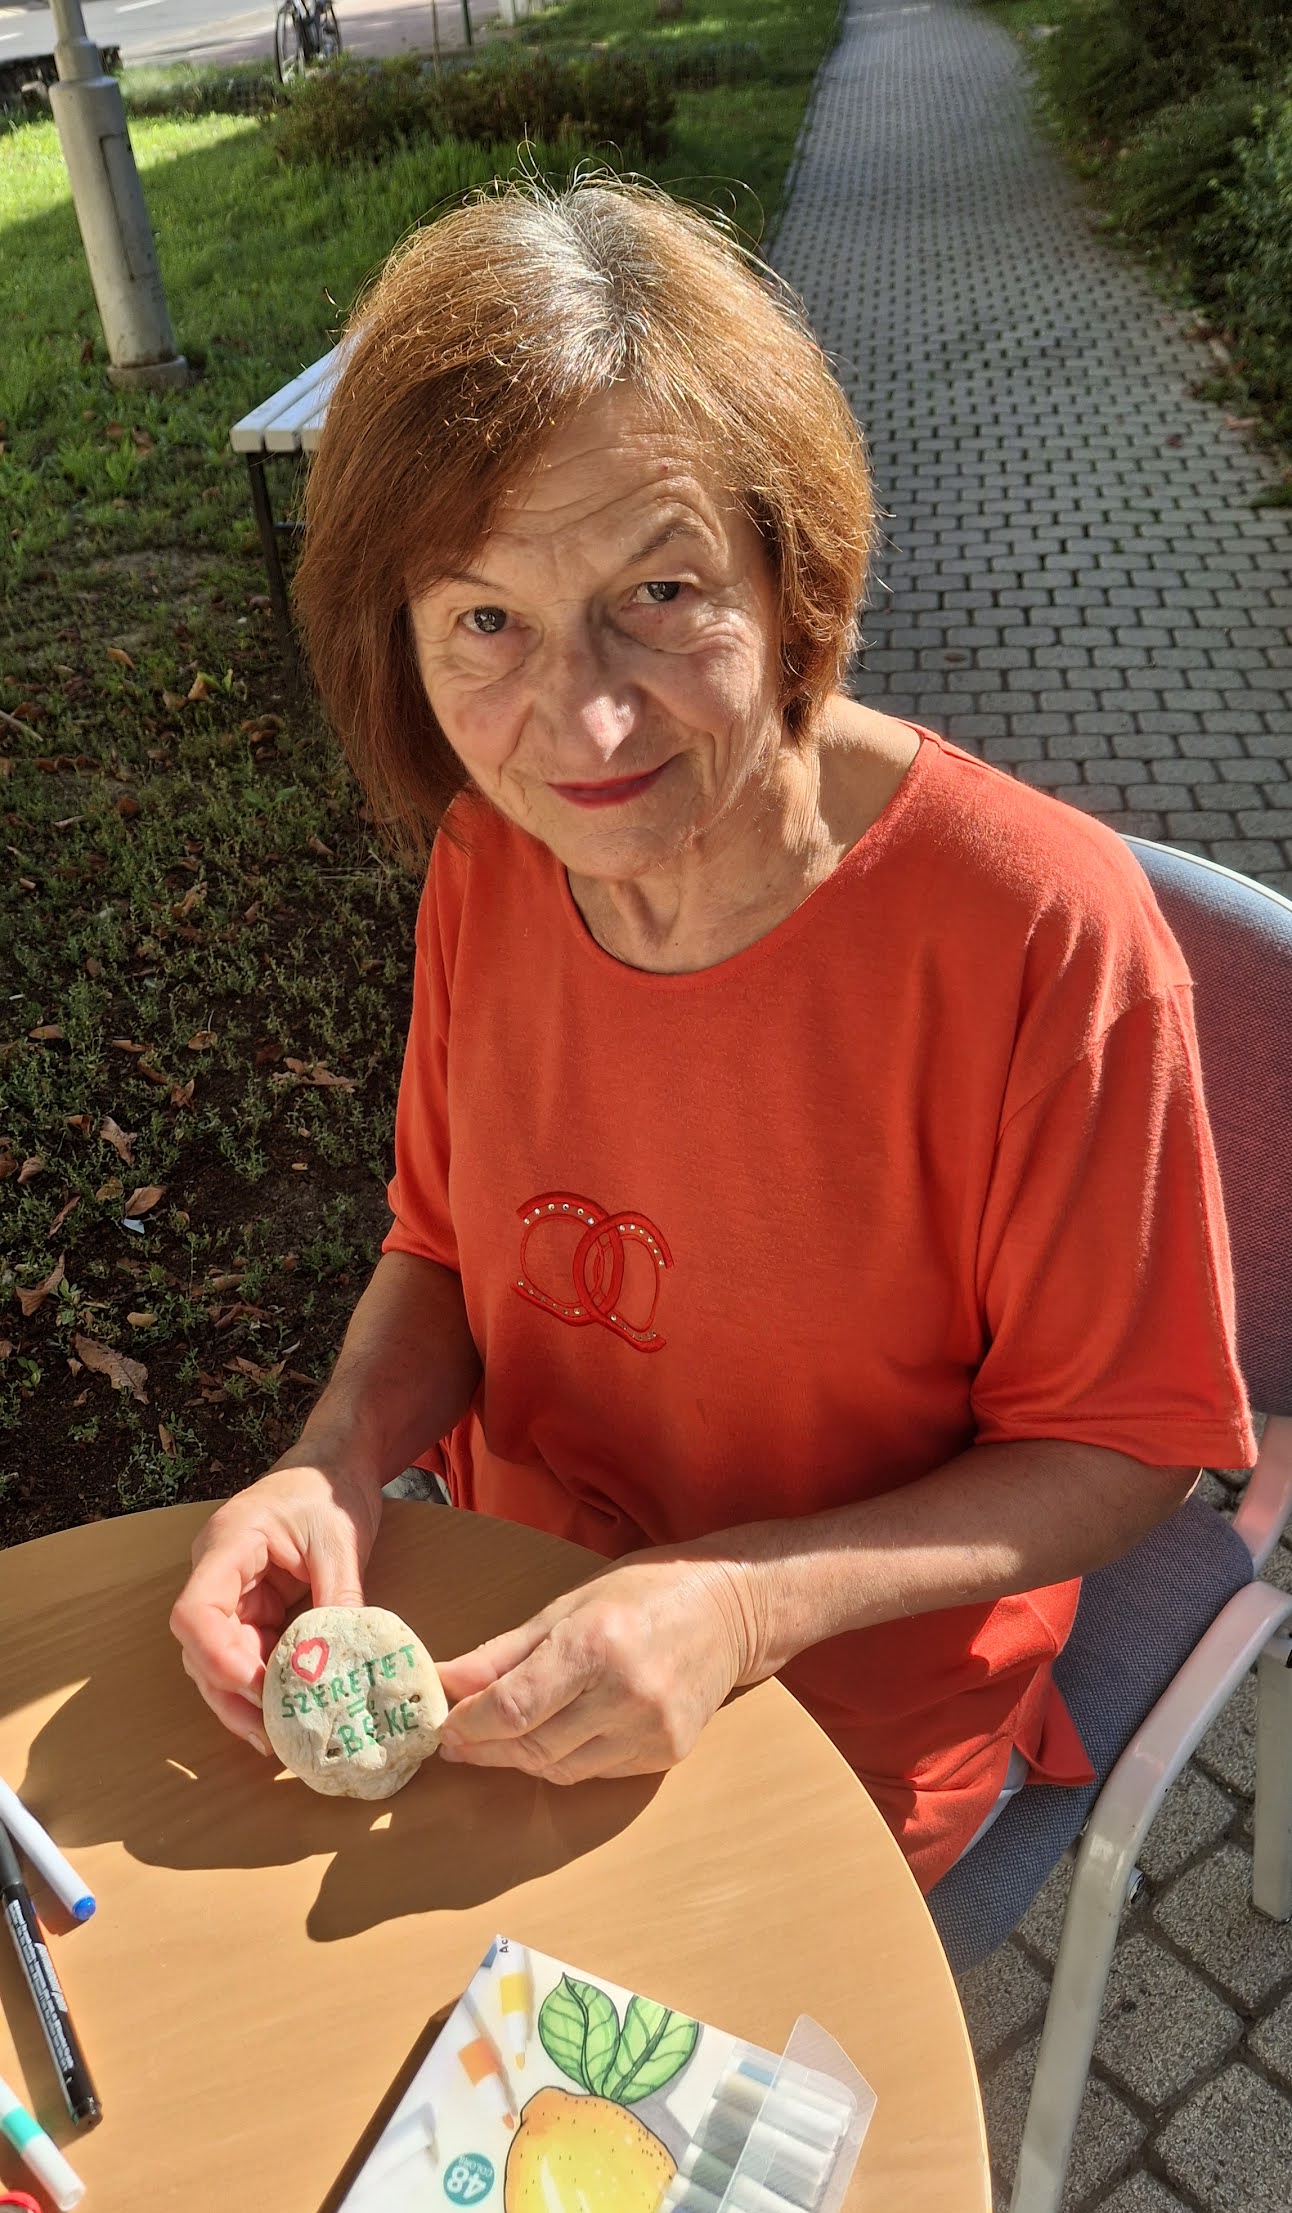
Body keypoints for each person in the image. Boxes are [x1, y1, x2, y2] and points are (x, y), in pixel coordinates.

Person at [169, 181, 1256, 1891]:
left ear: (793, 568)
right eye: (485, 621)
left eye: (662, 590)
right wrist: (332, 1463)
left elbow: (1130, 1447)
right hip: (503, 1646)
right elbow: (443, 1253)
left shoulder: (1043, 935)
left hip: (844, 1733)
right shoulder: (492, 854)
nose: (586, 724)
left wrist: (742, 1603)